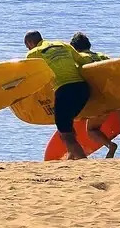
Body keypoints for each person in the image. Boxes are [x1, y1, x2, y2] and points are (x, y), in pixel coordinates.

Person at [70, 31, 120, 158]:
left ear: (74, 48)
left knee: (92, 129)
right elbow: (118, 70)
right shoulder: (102, 56)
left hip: (102, 101)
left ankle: (110, 145)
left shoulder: (78, 60)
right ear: (88, 45)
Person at [24, 30, 91, 159]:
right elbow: (83, 61)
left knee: (65, 132)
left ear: (30, 43)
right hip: (83, 89)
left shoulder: (34, 53)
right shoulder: (63, 44)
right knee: (67, 124)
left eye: (27, 46)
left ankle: (83, 161)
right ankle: (71, 156)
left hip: (65, 91)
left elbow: (28, 76)